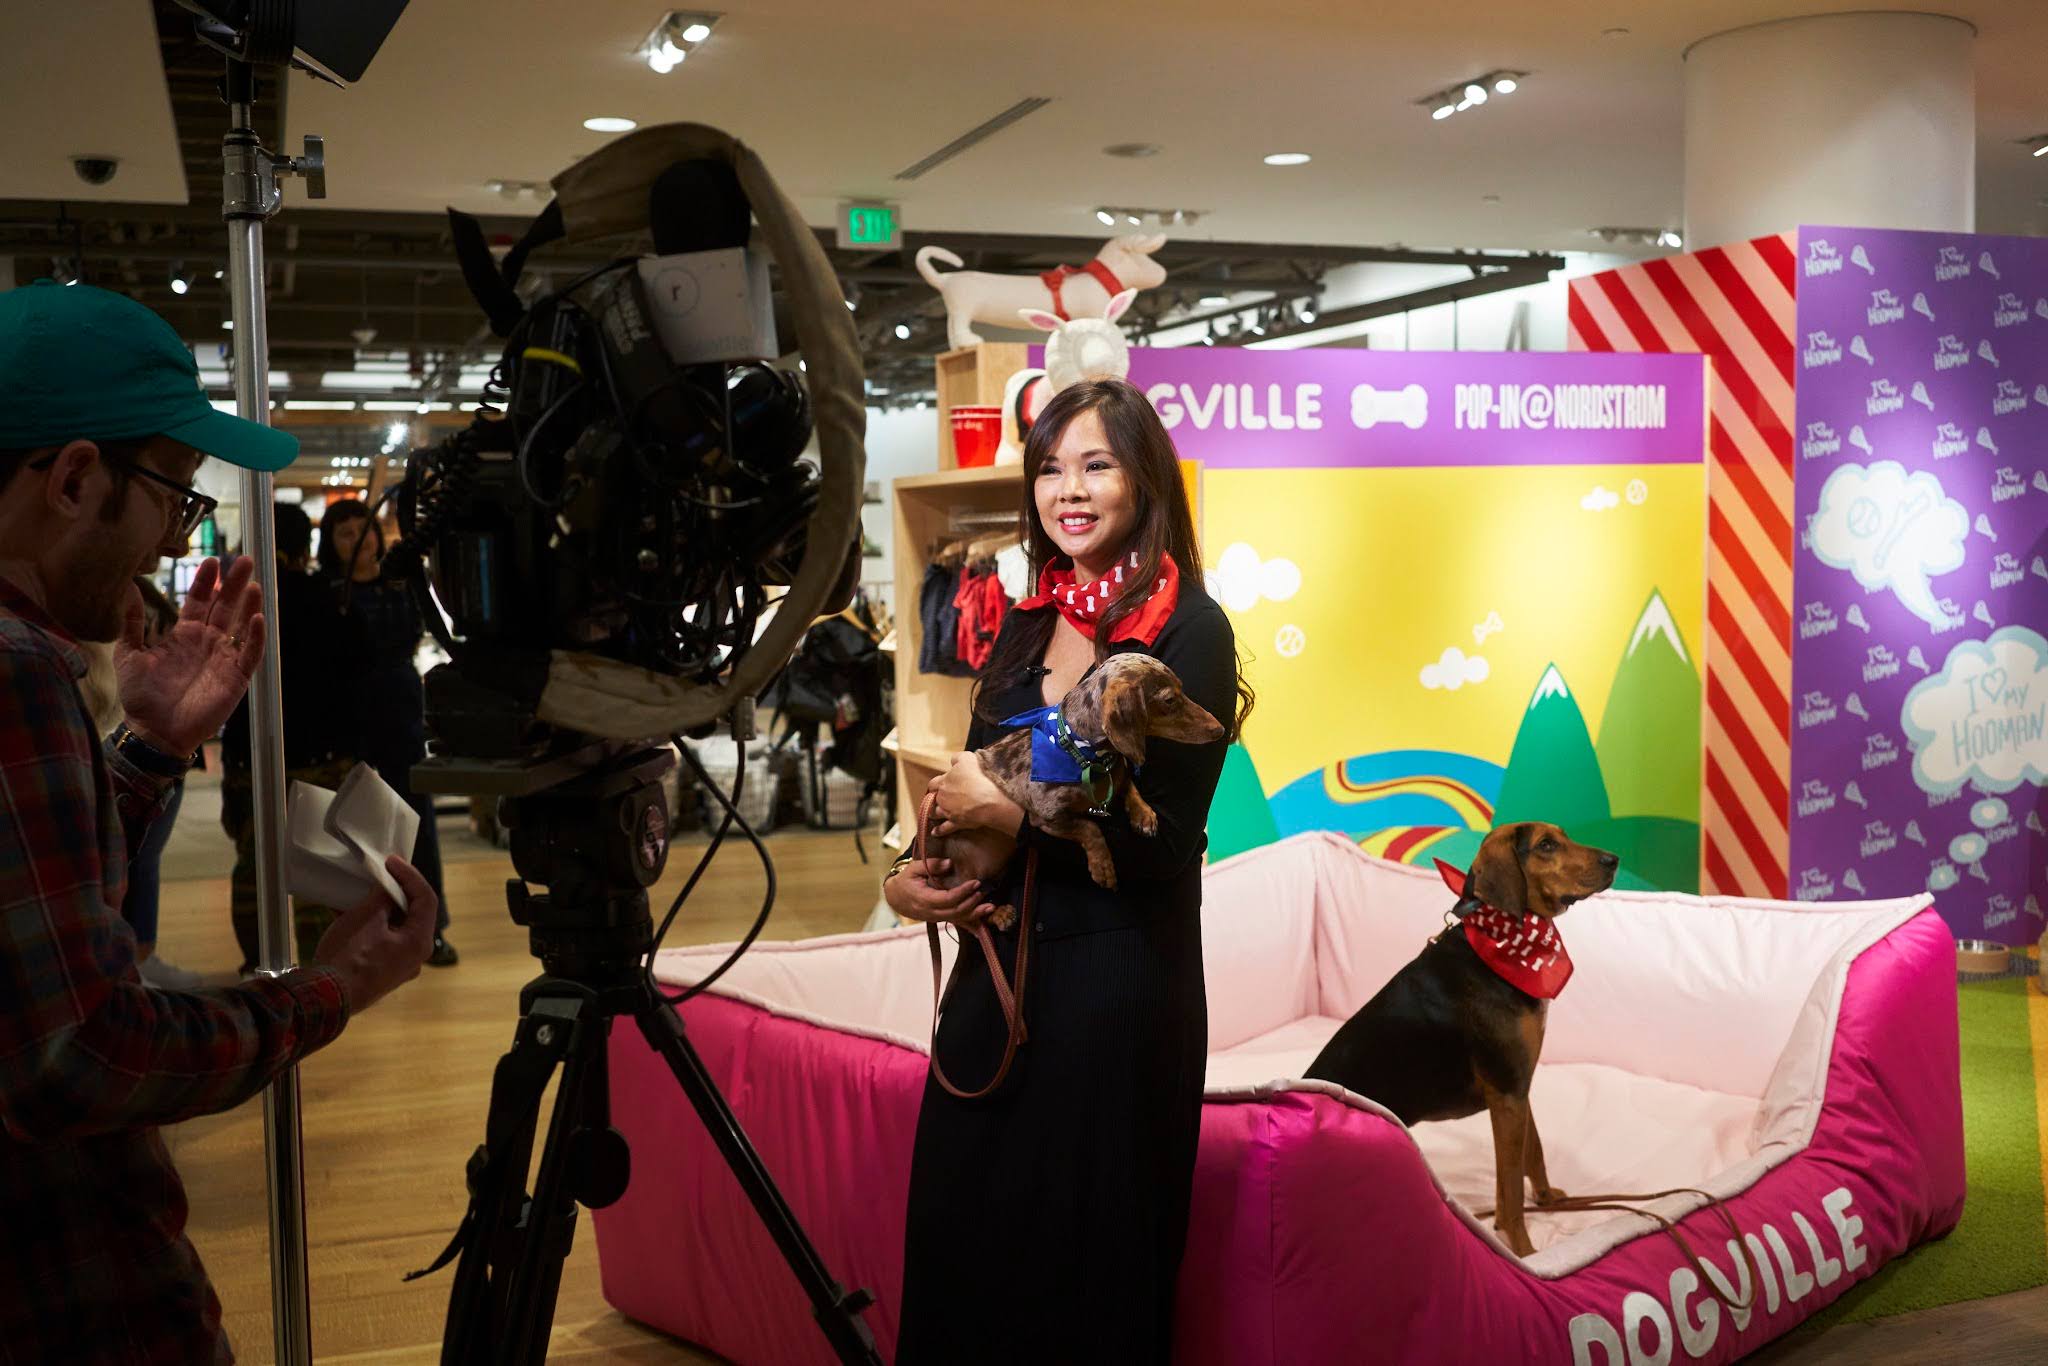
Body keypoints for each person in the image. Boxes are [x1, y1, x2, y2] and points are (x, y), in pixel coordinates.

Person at [0, 279, 440, 1361]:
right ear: (73, 479)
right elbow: (82, 1052)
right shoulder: (16, 673)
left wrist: (146, 753)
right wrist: (330, 990)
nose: (166, 543)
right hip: (62, 1296)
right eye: (175, 495)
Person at [888, 378, 1252, 1364]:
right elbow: (965, 780)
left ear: (1143, 479)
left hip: (1114, 989)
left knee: (1089, 1272)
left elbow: (1162, 843)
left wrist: (1014, 813)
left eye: (1095, 463)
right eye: (1049, 467)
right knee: (960, 1248)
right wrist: (909, 878)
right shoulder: (1017, 623)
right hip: (993, 976)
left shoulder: (1187, 632)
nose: (1069, 488)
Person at [221, 501, 367, 971]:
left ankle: (256, 967)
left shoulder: (240, 605)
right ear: (306, 545)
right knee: (318, 876)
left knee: (252, 871)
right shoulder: (328, 598)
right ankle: (318, 976)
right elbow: (352, 676)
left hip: (253, 755)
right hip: (321, 752)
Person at [318, 496, 456, 965]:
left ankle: (430, 925)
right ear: (330, 543)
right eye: (345, 531)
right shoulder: (330, 593)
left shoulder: (398, 585)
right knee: (359, 824)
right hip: (351, 712)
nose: (359, 538)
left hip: (399, 709)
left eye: (365, 528)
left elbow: (409, 635)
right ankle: (366, 926)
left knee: (416, 819)